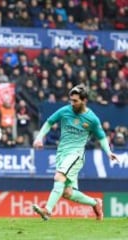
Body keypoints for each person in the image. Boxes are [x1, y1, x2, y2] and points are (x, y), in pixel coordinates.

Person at [32, 84, 119, 221]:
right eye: (71, 100)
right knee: (67, 192)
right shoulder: (65, 111)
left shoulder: (92, 119)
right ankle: (95, 203)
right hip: (61, 153)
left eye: (75, 101)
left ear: (84, 101)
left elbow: (101, 137)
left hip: (76, 154)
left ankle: (47, 210)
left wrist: (108, 152)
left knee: (59, 176)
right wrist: (39, 138)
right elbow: (49, 122)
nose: (72, 103)